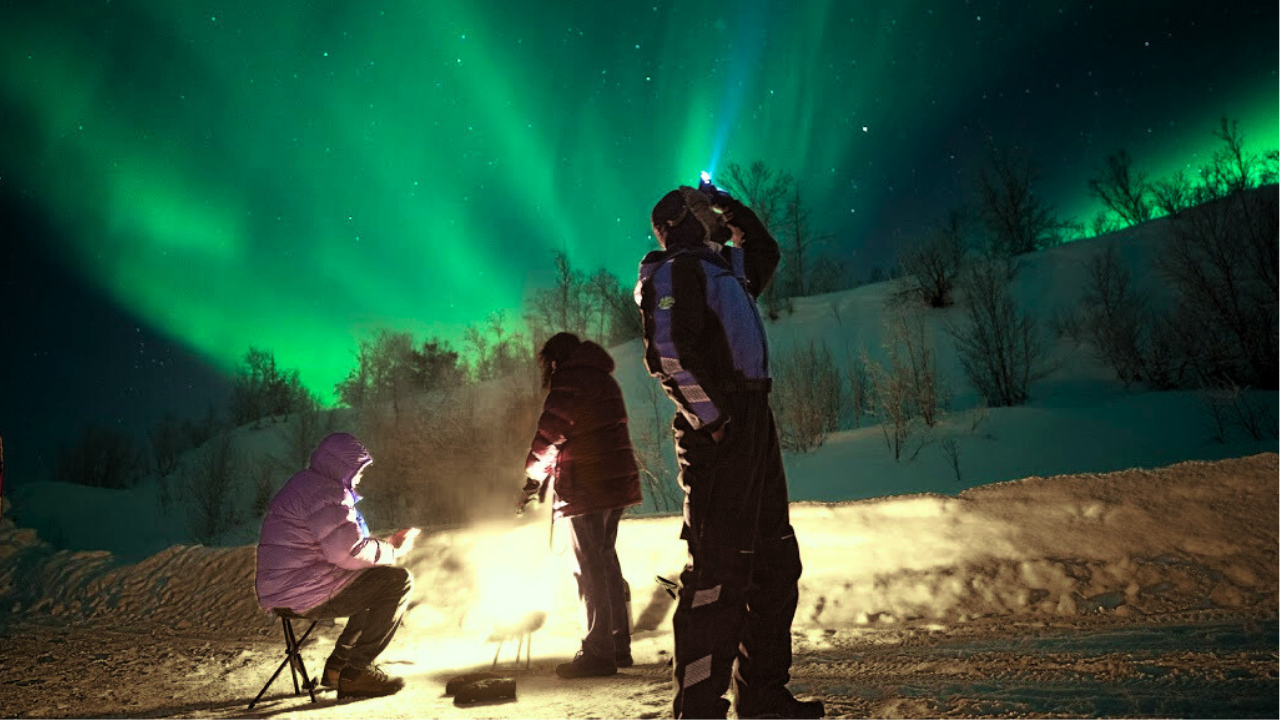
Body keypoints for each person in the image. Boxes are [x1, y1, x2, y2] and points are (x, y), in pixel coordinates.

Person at [635, 182, 824, 719]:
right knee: (717, 573)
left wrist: (729, 204)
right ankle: (698, 706)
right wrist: (714, 421)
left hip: (753, 423)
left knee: (774, 561)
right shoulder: (673, 270)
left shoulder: (726, 268)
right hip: (720, 434)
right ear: (676, 223)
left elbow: (766, 250)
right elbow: (668, 355)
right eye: (698, 209)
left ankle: (762, 695)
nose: (710, 217)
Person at [255, 432, 418, 699]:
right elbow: (348, 551)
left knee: (371, 579)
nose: (360, 477)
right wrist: (393, 549)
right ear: (344, 466)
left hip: (289, 588)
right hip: (303, 592)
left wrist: (387, 545)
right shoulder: (327, 493)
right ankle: (357, 672)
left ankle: (338, 668)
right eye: (359, 470)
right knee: (397, 582)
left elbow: (342, 547)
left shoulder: (307, 485)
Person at [518, 332, 643, 679]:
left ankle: (598, 652)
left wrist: (532, 477)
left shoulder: (569, 381)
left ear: (556, 360)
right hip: (613, 484)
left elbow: (551, 435)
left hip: (587, 486)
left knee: (589, 569)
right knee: (605, 561)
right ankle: (618, 646)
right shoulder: (603, 379)